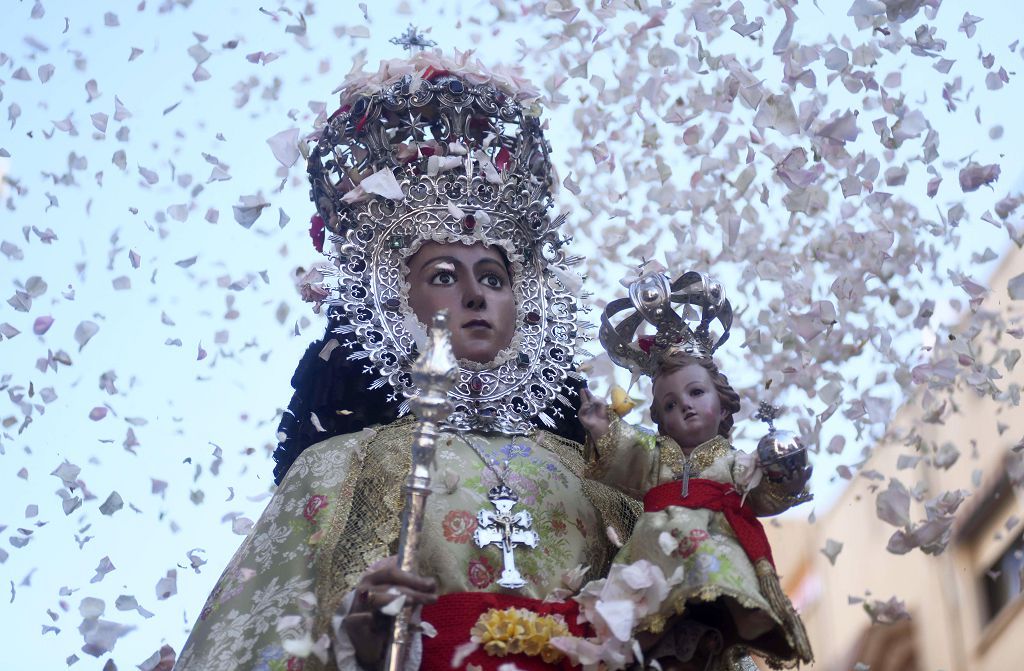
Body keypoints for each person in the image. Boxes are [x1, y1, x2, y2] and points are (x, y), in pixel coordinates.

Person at [174, 49, 642, 671]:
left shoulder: (602, 478)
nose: (476, 294)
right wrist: (355, 646)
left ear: (527, 303)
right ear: (395, 299)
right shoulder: (336, 472)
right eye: (444, 274)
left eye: (495, 277)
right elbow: (248, 650)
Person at [574, 272, 814, 670]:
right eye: (669, 405)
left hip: (713, 552)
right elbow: (624, 454)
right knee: (642, 623)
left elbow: (760, 494)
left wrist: (785, 478)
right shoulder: (653, 457)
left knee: (712, 596)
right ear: (660, 420)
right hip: (655, 555)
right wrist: (602, 428)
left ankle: (727, 619)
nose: (683, 405)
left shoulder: (734, 462)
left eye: (696, 392)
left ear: (721, 404)